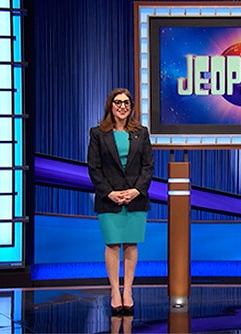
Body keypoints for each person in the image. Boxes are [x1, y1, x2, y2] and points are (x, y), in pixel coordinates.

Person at [87, 88, 154, 317]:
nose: (122, 106)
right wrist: (110, 193)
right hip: (109, 199)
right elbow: (94, 168)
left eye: (126, 103)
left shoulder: (141, 133)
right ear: (111, 105)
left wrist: (136, 191)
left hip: (135, 198)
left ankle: (128, 291)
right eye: (118, 102)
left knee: (131, 244)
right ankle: (115, 292)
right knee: (113, 244)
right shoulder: (97, 133)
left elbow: (148, 167)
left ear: (131, 107)